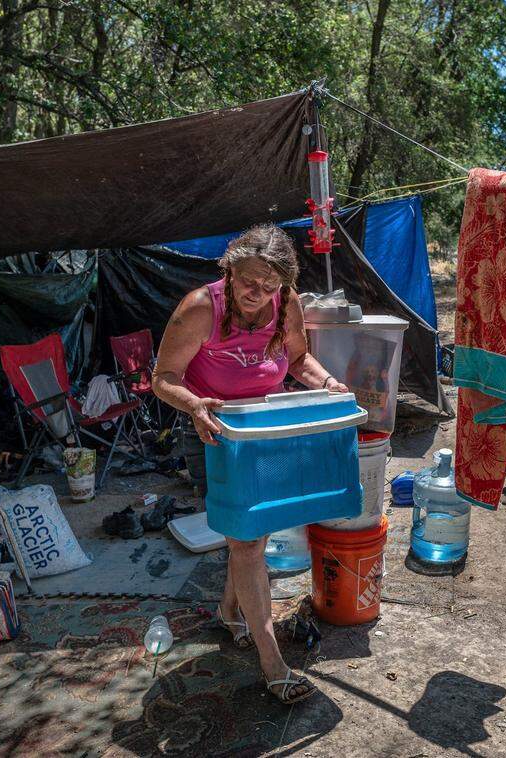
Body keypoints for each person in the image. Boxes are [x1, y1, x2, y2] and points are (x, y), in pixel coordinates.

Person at [152, 224, 347, 705]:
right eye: (249, 281)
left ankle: (228, 611)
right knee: (246, 539)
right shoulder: (201, 307)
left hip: (266, 431)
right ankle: (272, 662)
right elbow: (163, 377)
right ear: (229, 269)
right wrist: (194, 404)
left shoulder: (288, 304)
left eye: (270, 285)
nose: (258, 293)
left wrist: (328, 384)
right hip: (215, 432)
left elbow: (298, 361)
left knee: (251, 534)